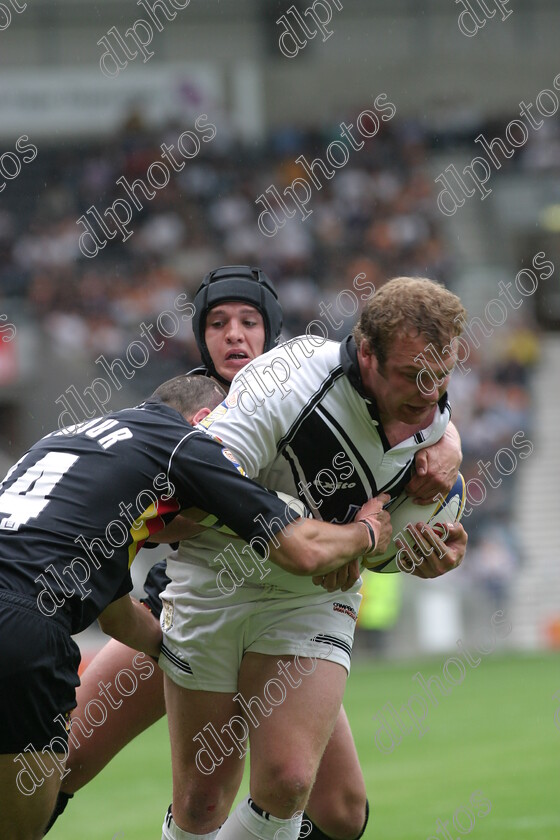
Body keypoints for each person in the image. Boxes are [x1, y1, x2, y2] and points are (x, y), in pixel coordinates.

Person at [51, 266, 463, 840]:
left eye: (249, 321)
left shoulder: (354, 389)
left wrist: (449, 452)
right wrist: (325, 536)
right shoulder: (185, 405)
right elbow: (167, 514)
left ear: (273, 333)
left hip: (295, 606)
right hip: (187, 600)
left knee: (337, 809)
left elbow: (425, 410)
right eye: (218, 323)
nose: (234, 336)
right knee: (75, 764)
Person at [0, 374, 392, 840]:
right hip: (24, 629)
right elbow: (298, 549)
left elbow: (115, 612)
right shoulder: (185, 443)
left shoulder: (70, 438)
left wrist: (179, 651)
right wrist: (365, 534)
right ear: (207, 421)